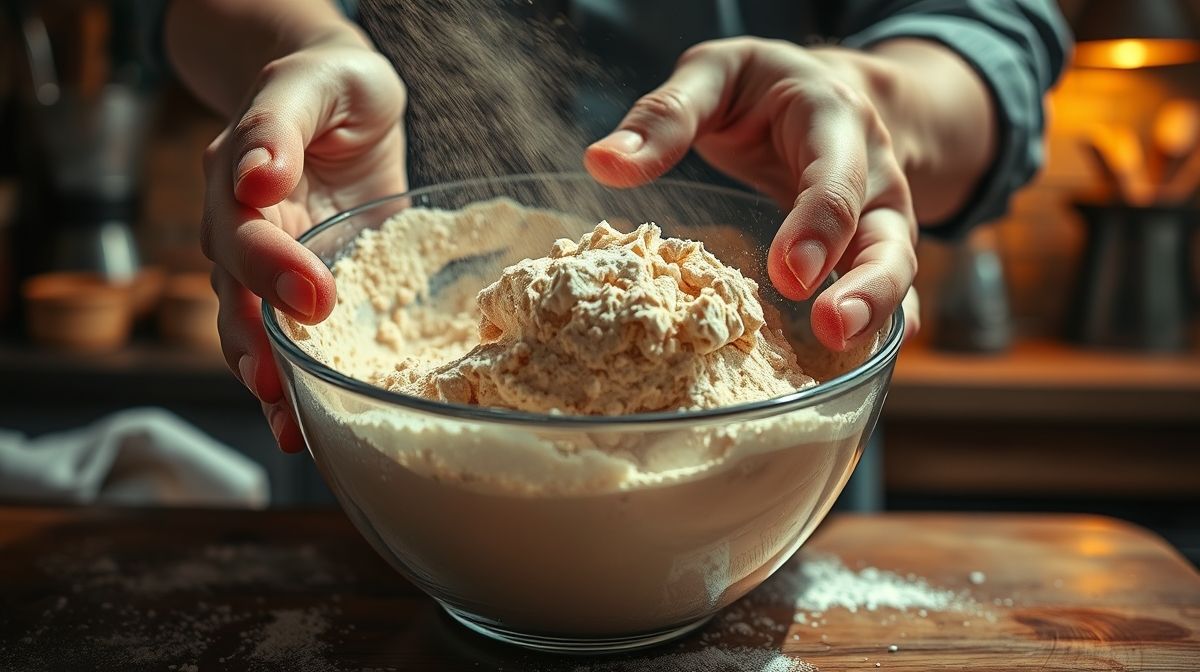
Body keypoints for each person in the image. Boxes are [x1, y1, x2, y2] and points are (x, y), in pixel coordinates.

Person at [164, 0, 1070, 453]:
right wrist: (309, 48)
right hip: (381, 504)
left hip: (761, 478)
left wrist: (874, 103)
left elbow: (999, 33)